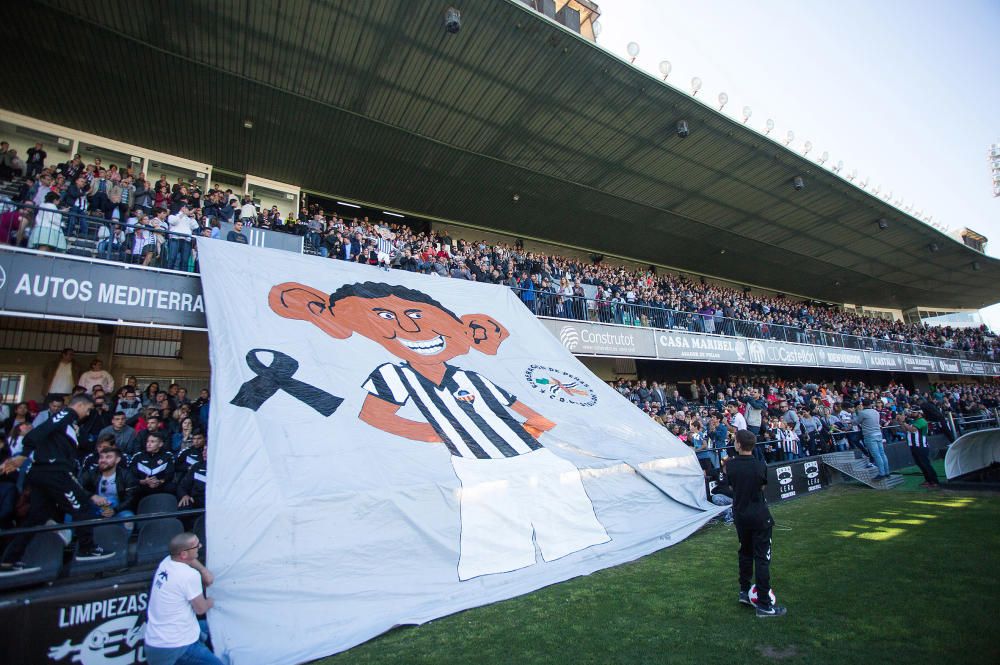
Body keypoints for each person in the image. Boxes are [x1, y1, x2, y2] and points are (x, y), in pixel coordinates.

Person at [0, 394, 115, 574]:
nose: (88, 413)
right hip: (55, 471)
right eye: (88, 409)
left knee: (36, 516)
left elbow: (80, 443)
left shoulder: (72, 424)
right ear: (80, 405)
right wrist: (24, 453)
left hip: (43, 473)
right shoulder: (67, 414)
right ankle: (87, 549)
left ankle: (9, 560)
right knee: (83, 507)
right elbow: (38, 432)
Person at [728, 430, 786, 617]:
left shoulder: (730, 465)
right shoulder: (759, 465)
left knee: (745, 553)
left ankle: (744, 591)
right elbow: (761, 487)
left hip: (741, 516)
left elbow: (732, 486)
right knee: (761, 558)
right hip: (759, 516)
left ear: (738, 444)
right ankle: (764, 604)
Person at [144, 532, 222, 665]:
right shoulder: (189, 575)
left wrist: (203, 570)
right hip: (176, 644)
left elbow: (188, 558)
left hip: (155, 641)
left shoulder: (167, 562)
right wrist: (213, 601)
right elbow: (201, 609)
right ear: (184, 554)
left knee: (213, 626)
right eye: (196, 545)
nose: (200, 546)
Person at [899, 409, 940, 488]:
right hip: (914, 445)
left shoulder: (921, 421)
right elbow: (906, 430)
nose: (912, 413)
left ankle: (934, 481)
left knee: (925, 464)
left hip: (920, 446)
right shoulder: (913, 422)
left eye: (914, 412)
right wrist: (901, 422)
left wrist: (904, 422)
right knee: (921, 464)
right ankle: (928, 480)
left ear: (920, 413)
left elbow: (912, 430)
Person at [858, 399, 890, 480]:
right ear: (870, 404)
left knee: (876, 454)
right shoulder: (876, 412)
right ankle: (887, 472)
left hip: (870, 435)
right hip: (879, 434)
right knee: (882, 453)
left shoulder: (862, 413)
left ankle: (881, 473)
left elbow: (856, 422)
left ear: (863, 405)